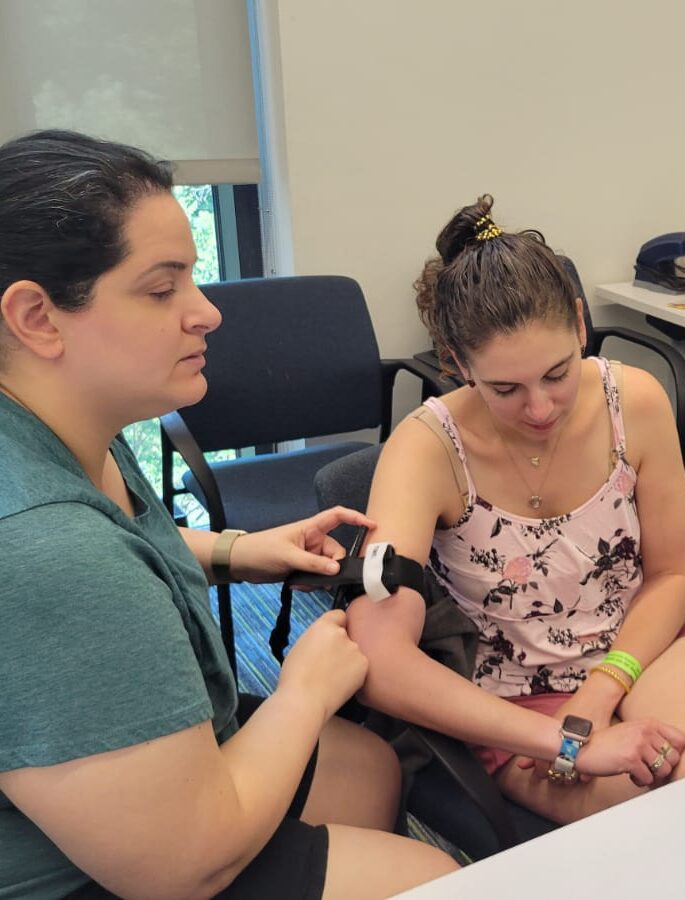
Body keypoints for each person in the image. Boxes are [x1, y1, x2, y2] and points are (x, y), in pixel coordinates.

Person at [0, 130, 457, 899]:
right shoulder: (46, 551)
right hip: (113, 865)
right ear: (37, 318)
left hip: (134, 749)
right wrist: (302, 691)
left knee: (371, 770)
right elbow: (184, 863)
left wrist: (236, 550)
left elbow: (114, 532)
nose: (206, 312)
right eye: (161, 288)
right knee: (436, 878)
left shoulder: (67, 423)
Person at [347, 196, 685, 824]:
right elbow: (380, 659)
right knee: (657, 816)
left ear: (580, 323)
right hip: (520, 688)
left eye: (558, 373)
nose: (540, 409)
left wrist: (603, 686)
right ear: (456, 363)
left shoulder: (634, 403)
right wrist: (567, 740)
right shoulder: (426, 451)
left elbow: (674, 574)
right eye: (504, 389)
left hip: (646, 638)